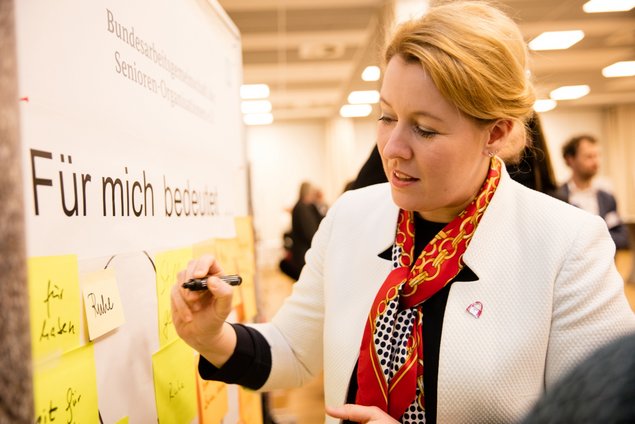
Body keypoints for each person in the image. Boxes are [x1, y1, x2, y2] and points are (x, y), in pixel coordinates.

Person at [171, 2, 635, 423]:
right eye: (387, 116)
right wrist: (214, 336)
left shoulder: (567, 245)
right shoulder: (352, 217)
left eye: (426, 130)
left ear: (495, 133)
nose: (392, 149)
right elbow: (295, 349)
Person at [554, 134, 630, 250]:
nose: (596, 162)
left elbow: (622, 238)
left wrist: (590, 240)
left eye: (597, 156)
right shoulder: (557, 197)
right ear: (570, 160)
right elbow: (559, 240)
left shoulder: (607, 198)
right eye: (589, 157)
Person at [279, 181, 324, 281]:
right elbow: (310, 233)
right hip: (303, 255)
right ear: (308, 193)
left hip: (304, 253)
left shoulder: (306, 207)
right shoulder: (301, 208)